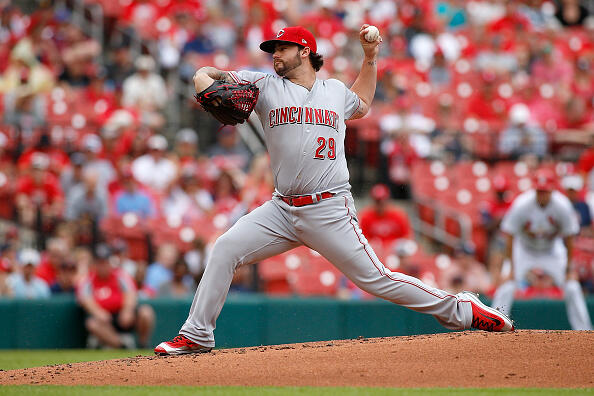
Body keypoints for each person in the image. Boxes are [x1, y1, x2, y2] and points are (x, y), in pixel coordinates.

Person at [155, 25, 513, 356]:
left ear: (305, 51)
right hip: (281, 209)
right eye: (273, 49)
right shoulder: (263, 85)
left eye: (283, 48)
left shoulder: (335, 91)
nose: (275, 54)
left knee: (377, 279)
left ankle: (461, 309)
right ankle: (198, 333)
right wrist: (203, 78)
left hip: (328, 208)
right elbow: (211, 76)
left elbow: (364, 103)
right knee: (225, 249)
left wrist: (370, 60)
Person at [491, 169, 593, 330]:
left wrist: (569, 268)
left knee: (572, 286)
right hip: (524, 249)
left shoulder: (562, 205)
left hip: (551, 250)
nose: (542, 194)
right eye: (539, 190)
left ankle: (585, 332)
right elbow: (509, 234)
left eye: (545, 191)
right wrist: (510, 267)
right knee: (506, 285)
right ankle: (493, 328)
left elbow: (569, 237)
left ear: (553, 189)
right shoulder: (522, 203)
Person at [77, 244, 155, 348]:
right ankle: (121, 346)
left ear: (110, 262)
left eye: (105, 262)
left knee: (146, 312)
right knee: (92, 323)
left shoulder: (120, 275)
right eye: (100, 262)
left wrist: (127, 310)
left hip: (122, 315)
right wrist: (98, 312)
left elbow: (131, 293)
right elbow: (85, 300)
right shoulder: (87, 280)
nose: (102, 266)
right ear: (95, 263)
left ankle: (142, 345)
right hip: (105, 320)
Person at [358, 183, 411, 248]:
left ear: (387, 199)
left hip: (395, 251)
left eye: (383, 200)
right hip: (375, 251)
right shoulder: (366, 216)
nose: (381, 204)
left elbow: (406, 236)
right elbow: (362, 238)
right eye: (377, 201)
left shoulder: (398, 215)